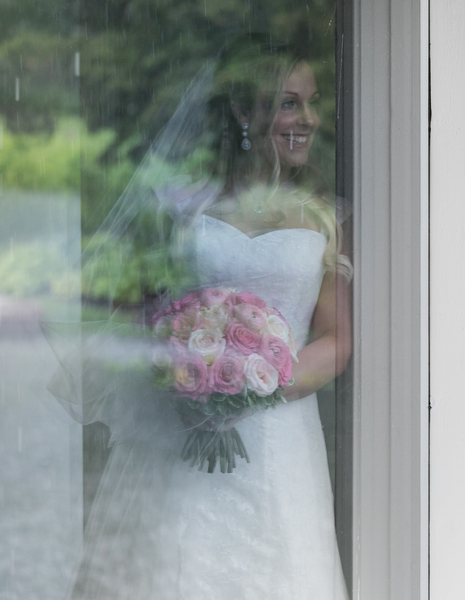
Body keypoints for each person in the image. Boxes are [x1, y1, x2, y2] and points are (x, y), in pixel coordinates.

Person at [51, 35, 351, 599]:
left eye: (311, 102)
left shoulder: (327, 217)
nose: (308, 119)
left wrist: (252, 387)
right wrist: (188, 370)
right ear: (243, 111)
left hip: (280, 438)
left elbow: (336, 341)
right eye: (289, 103)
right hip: (181, 429)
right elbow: (138, 311)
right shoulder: (184, 209)